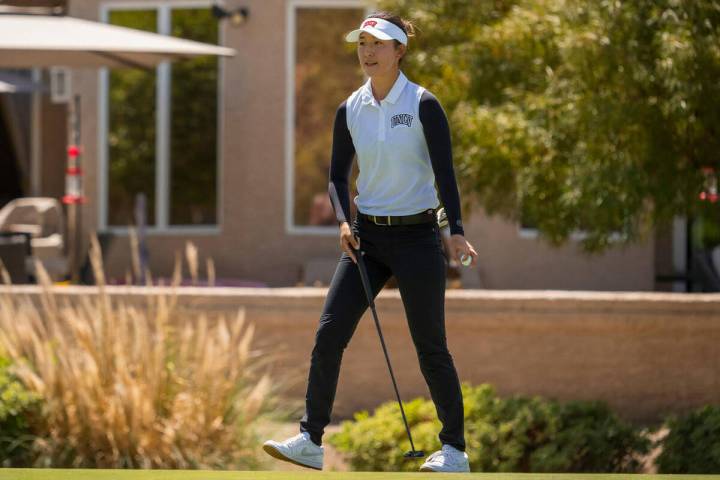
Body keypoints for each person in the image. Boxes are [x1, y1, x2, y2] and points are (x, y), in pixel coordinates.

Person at [263, 11, 478, 473]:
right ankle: (310, 439)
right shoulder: (350, 108)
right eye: (362, 43)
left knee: (431, 347)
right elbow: (337, 178)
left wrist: (455, 231)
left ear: (399, 50)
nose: (367, 51)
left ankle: (455, 450)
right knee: (328, 335)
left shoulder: (424, 104)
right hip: (368, 239)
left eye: (377, 43)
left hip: (419, 238)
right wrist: (344, 221)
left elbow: (445, 174)